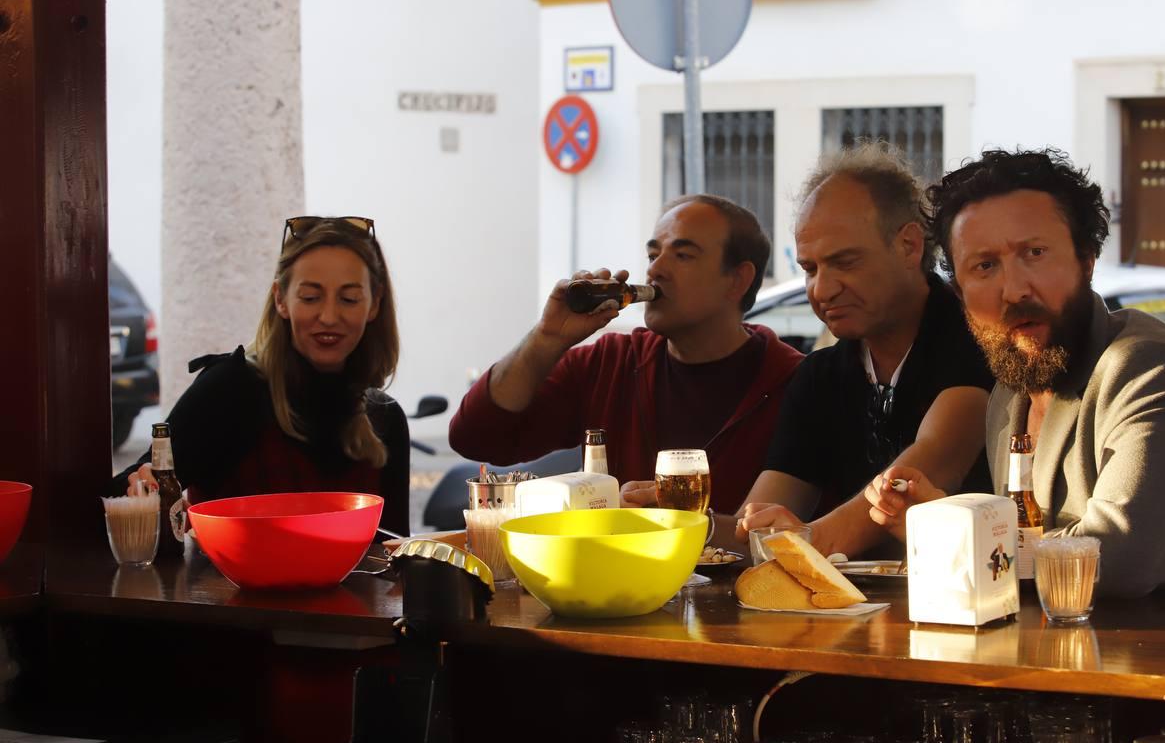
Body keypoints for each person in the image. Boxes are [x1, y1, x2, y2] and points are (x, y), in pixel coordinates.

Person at [866, 147, 1165, 597]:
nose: (1015, 289)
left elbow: (1118, 559)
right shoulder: (1008, 394)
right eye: (984, 266)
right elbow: (1020, 563)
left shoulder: (1148, 367)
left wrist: (962, 534)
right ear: (960, 293)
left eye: (1035, 253)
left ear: (1087, 260)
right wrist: (937, 524)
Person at [448, 194, 802, 521]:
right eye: (652, 255)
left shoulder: (792, 381)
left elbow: (771, 535)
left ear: (738, 280)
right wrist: (547, 338)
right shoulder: (612, 362)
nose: (655, 270)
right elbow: (475, 437)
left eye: (682, 255)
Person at [734, 142, 994, 559]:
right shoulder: (821, 375)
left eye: (845, 262)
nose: (822, 289)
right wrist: (677, 523)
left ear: (910, 245)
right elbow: (754, 527)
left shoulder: (978, 341)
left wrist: (806, 540)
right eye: (810, 269)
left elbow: (920, 471)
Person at [112, 216, 410, 534]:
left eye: (349, 299)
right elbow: (124, 493)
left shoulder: (386, 419)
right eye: (310, 297)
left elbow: (395, 559)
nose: (328, 316)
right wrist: (141, 492)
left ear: (374, 304)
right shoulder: (229, 391)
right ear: (281, 299)